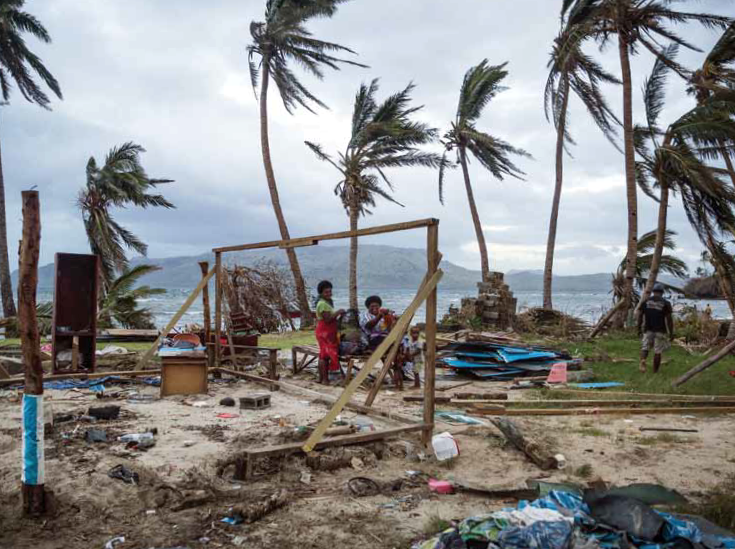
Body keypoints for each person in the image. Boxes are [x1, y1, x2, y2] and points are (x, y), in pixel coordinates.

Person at [637, 283, 674, 374]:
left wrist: (638, 328)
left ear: (653, 292)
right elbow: (669, 320)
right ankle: (655, 371)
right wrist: (671, 332)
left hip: (648, 329)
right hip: (660, 330)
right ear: (662, 293)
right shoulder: (666, 303)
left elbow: (640, 316)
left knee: (645, 347)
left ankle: (643, 361)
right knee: (657, 351)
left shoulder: (646, 301)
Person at [314, 280, 345, 385]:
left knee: (323, 354)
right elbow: (327, 319)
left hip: (327, 331)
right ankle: (325, 379)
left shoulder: (326, 303)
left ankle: (321, 378)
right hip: (324, 332)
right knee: (325, 355)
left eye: (330, 291)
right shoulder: (322, 304)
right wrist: (339, 312)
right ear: (321, 293)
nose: (329, 294)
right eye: (326, 292)